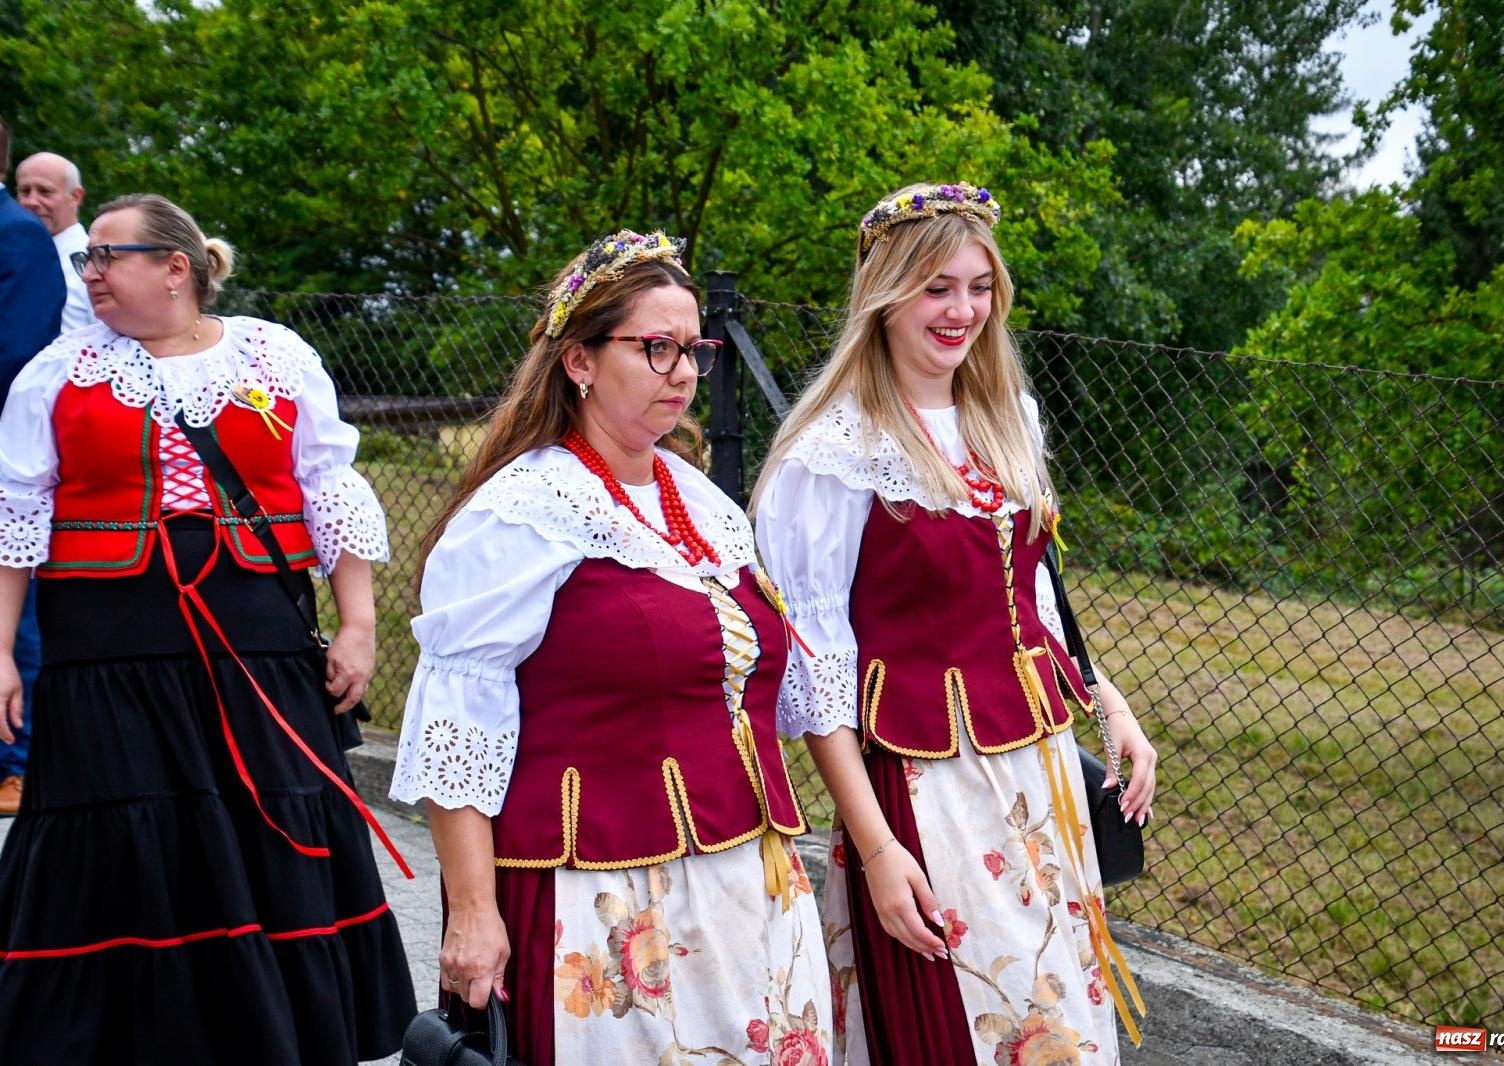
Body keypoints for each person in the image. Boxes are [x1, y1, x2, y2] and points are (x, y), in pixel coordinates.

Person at [391, 230, 832, 1064]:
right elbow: (458, 724)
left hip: (745, 883)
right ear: (581, 362)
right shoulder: (522, 509)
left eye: (693, 349)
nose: (682, 371)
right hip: (600, 900)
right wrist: (473, 913)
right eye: (654, 346)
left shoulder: (701, 503)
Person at [0, 193, 415, 1063]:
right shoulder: (58, 372)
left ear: (176, 268)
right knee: (126, 846)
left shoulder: (276, 354)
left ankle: (273, 1036)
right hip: (108, 652)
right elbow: (15, 513)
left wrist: (359, 623)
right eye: (90, 261)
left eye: (110, 256)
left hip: (254, 639)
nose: (94, 273)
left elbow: (331, 489)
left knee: (269, 831)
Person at [751, 182, 1160, 1066]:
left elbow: (1031, 597)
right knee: (960, 1029)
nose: (962, 310)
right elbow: (817, 675)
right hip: (927, 787)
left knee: (1053, 1020)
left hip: (1039, 771)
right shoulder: (833, 450)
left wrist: (1109, 705)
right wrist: (876, 847)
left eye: (980, 287)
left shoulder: (1006, 417)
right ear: (885, 294)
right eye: (937, 287)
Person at [0, 117, 65, 819]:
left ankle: (17, 765)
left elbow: (14, 352)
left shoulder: (16, 234)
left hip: (6, 452)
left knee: (17, 620)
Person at [16, 151, 93, 333]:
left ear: (75, 197)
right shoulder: (15, 256)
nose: (32, 201)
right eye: (24, 191)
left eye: (45, 191)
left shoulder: (94, 264)